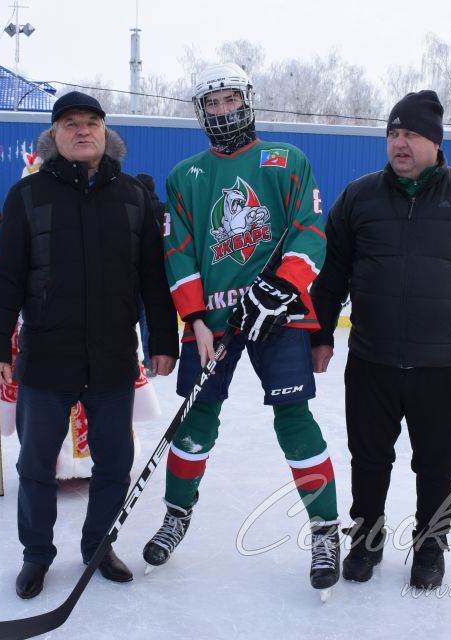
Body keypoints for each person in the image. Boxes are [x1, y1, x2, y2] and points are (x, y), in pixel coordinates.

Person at [141, 62, 342, 594]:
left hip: (281, 315)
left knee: (293, 418)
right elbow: (178, 251)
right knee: (194, 420)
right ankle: (176, 516)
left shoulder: (287, 160)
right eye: (212, 103)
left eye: (230, 99)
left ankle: (325, 529)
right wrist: (196, 318)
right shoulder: (185, 176)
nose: (222, 110)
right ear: (201, 112)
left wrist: (283, 288)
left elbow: (310, 232)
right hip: (212, 323)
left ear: (247, 101)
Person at [310, 90, 451, 589]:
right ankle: (366, 542)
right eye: (393, 133)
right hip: (370, 360)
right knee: (369, 458)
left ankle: (430, 549)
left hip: (437, 365)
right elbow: (330, 274)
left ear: (435, 142)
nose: (400, 144)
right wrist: (319, 335)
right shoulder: (360, 197)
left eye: (411, 134)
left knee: (435, 463)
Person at [0, 91, 178, 600]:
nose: (83, 130)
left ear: (106, 134)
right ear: (55, 135)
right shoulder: (28, 196)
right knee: (35, 464)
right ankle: (36, 555)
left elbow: (153, 278)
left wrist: (161, 338)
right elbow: (6, 279)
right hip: (46, 355)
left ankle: (98, 545)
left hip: (113, 354)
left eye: (92, 122)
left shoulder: (133, 196)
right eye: (71, 123)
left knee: (114, 464)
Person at [134, 173, 167, 374]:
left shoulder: (136, 210)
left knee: (129, 317)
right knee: (150, 320)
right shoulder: (164, 210)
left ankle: (133, 360)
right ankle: (150, 360)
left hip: (135, 271)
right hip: (158, 273)